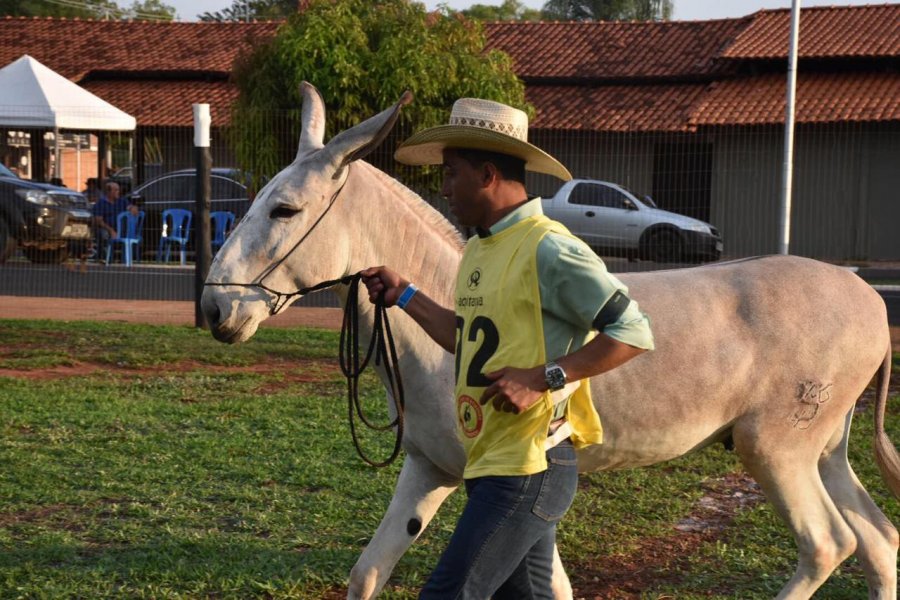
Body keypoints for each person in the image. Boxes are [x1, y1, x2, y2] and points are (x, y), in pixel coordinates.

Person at [361, 98, 655, 599]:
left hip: (530, 466)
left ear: (489, 173)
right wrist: (405, 295)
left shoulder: (549, 246)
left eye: (452, 173)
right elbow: (469, 335)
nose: (444, 188)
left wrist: (544, 376)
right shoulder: (480, 247)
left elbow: (632, 331)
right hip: (492, 458)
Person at [91, 181, 138, 262]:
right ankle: (105, 257)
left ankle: (126, 259)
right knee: (103, 234)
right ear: (108, 192)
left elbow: (132, 209)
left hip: (121, 229)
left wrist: (133, 208)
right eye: (115, 190)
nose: (118, 192)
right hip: (107, 228)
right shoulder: (101, 204)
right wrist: (111, 230)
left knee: (132, 236)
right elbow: (98, 221)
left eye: (118, 190)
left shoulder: (122, 201)